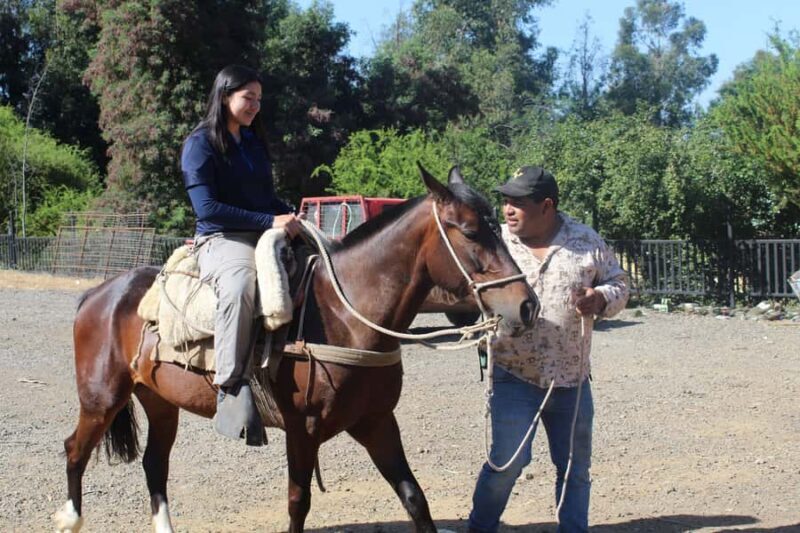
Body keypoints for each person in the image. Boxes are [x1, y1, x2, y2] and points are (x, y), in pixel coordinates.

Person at [468, 166, 630, 532]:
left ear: (547, 206)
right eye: (505, 201)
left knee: (574, 467)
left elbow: (619, 283)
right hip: (513, 375)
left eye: (518, 203)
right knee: (506, 464)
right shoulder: (496, 244)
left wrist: (601, 298)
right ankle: (479, 528)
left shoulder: (586, 241)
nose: (507, 209)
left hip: (571, 379)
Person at [181, 64, 302, 446]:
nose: (255, 106)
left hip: (260, 228)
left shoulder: (251, 142)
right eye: (248, 97)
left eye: (259, 99)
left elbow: (264, 197)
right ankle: (231, 385)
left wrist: (291, 215)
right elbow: (207, 209)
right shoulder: (199, 144)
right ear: (224, 96)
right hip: (221, 238)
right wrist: (270, 219)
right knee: (240, 285)